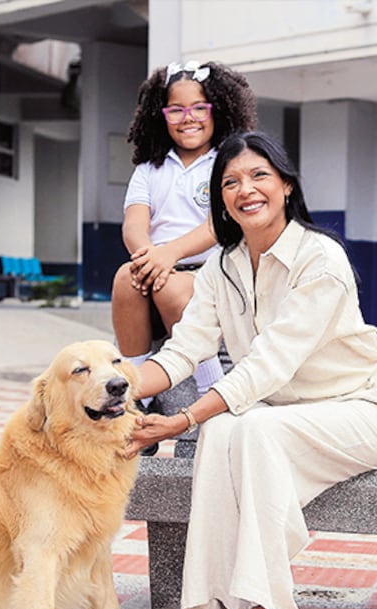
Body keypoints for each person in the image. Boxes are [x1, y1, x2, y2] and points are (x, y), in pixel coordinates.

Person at [124, 131, 377, 609]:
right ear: (220, 200)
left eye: (258, 176)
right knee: (226, 431)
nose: (245, 190)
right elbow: (182, 350)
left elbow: (270, 363)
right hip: (273, 420)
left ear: (286, 186)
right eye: (230, 182)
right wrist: (117, 387)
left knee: (242, 429)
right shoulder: (222, 266)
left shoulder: (320, 258)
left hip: (353, 414)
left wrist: (183, 418)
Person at [111, 60, 257, 412]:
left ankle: (212, 387)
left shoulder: (227, 162)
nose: (187, 118)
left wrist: (168, 255)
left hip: (211, 273)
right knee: (125, 279)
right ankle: (138, 392)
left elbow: (218, 224)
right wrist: (149, 258)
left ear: (217, 110)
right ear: (160, 115)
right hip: (159, 265)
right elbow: (134, 225)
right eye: (175, 110)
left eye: (198, 108)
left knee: (170, 287)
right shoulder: (149, 169)